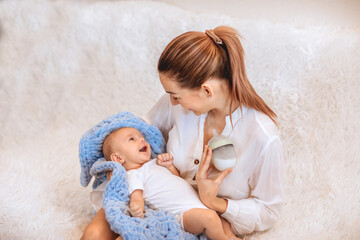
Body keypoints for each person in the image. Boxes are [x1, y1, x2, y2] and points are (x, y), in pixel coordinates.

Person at [81, 25, 284, 239]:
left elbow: (269, 211)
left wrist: (214, 202)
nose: (171, 101)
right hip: (151, 199)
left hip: (203, 217)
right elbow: (136, 133)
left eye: (176, 96)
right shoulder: (176, 107)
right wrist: (117, 170)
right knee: (94, 233)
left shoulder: (262, 136)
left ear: (206, 90)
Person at [101, 126, 240, 240]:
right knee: (209, 218)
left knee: (222, 218)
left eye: (141, 136)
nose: (141, 139)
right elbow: (136, 194)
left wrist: (169, 166)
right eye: (132, 139)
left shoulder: (154, 163)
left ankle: (231, 236)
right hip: (183, 214)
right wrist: (136, 206)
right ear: (118, 158)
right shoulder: (134, 174)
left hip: (199, 204)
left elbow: (177, 180)